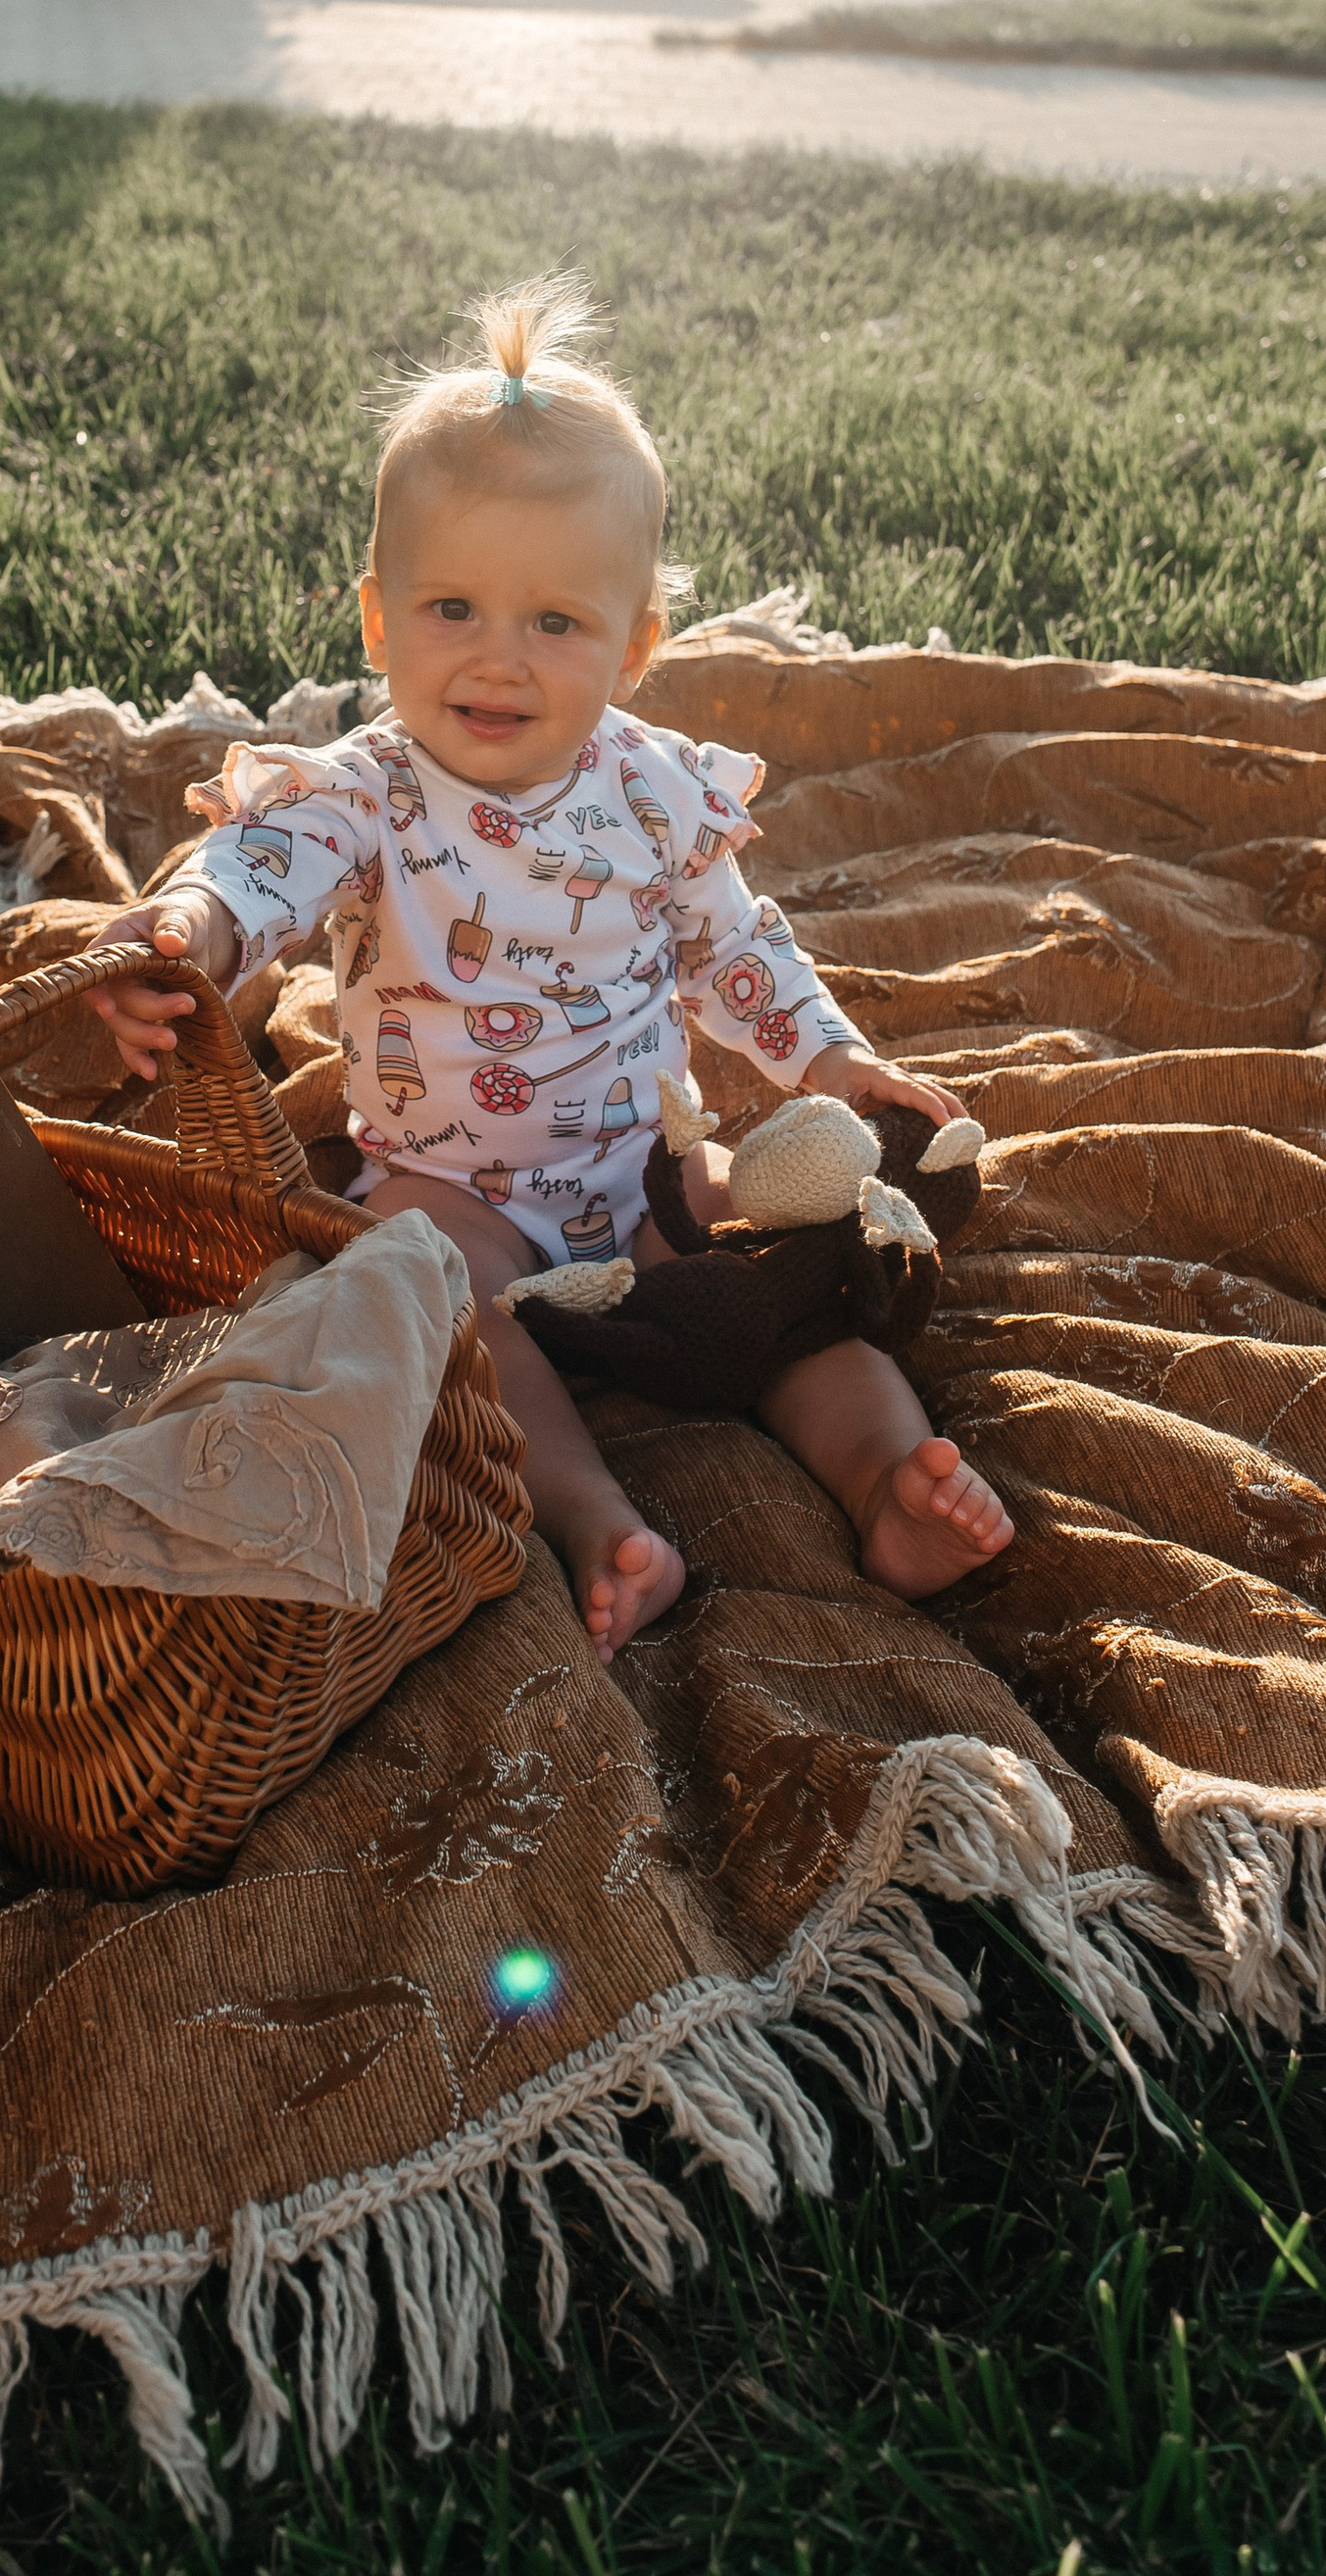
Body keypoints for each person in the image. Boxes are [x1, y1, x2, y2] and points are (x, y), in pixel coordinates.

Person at [84, 277, 1013, 1660]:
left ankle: (891, 1477)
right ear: (379, 620)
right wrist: (183, 936)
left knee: (779, 1297)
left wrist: (827, 1058)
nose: (498, 659)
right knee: (430, 1294)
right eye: (451, 606)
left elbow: (734, 944)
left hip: (645, 1167)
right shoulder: (366, 794)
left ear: (635, 642)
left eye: (556, 624)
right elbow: (249, 874)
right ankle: (595, 1519)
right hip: (457, 1184)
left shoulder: (655, 793)